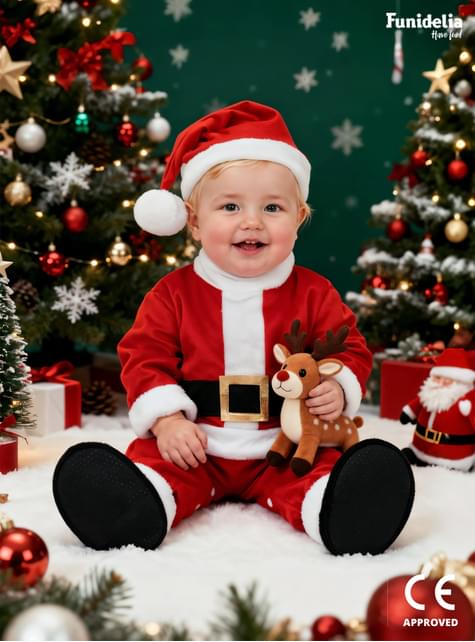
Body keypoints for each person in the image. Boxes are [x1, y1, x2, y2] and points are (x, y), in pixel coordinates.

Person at [53, 101, 414, 555]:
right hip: (198, 442)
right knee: (161, 465)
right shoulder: (172, 294)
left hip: (286, 440)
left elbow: (351, 349)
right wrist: (166, 420)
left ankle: (339, 511)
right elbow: (145, 358)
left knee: (316, 472)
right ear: (194, 221)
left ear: (299, 218)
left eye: (273, 207)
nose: (252, 222)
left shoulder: (314, 292)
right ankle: (134, 505)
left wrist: (337, 386)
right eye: (230, 206)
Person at [400, 348, 475, 470]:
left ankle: (454, 465)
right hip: (419, 448)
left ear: (461, 381)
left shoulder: (467, 401)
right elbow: (418, 403)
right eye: (438, 377)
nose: (441, 382)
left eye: (447, 379)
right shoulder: (429, 393)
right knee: (408, 456)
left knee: (449, 467)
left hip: (453, 457)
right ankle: (415, 454)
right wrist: (408, 412)